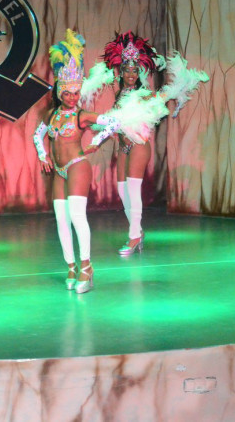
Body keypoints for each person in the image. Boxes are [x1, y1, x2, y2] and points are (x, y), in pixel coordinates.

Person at [33, 30, 120, 294]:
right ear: (60, 92)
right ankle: (71, 266)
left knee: (76, 216)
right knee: (61, 220)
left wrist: (97, 141)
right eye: (68, 93)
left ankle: (86, 266)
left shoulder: (82, 115)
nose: (72, 97)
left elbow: (112, 122)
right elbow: (37, 135)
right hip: (59, 171)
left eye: (76, 93)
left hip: (77, 166)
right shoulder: (51, 115)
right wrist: (43, 155)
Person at [102, 32, 162, 255]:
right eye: (127, 70)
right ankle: (138, 230)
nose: (130, 74)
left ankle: (134, 236)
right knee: (122, 191)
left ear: (139, 73)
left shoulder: (144, 94)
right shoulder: (119, 94)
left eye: (134, 71)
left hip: (138, 145)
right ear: (121, 72)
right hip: (123, 147)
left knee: (133, 190)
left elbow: (153, 113)